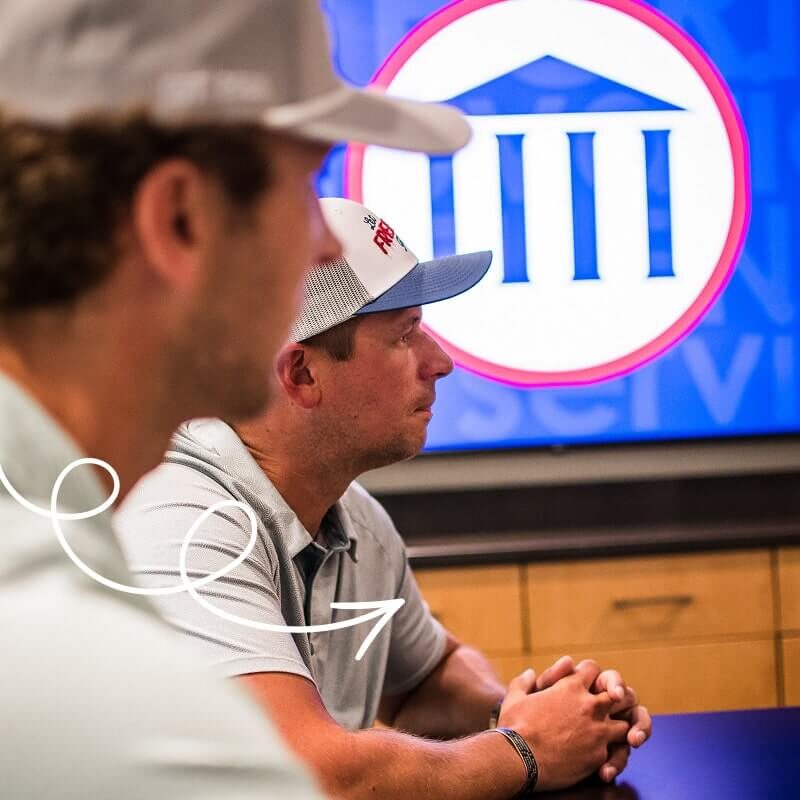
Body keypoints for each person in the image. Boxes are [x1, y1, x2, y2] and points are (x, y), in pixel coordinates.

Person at [0, 1, 472, 797]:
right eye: (301, 184)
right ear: (181, 219)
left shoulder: (72, 533)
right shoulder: (63, 665)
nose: (323, 245)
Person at [117, 197, 653, 799]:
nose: (441, 363)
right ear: (301, 375)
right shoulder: (179, 522)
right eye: (405, 336)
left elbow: (424, 681)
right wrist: (523, 752)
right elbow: (309, 777)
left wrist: (537, 714)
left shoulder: (355, 519)